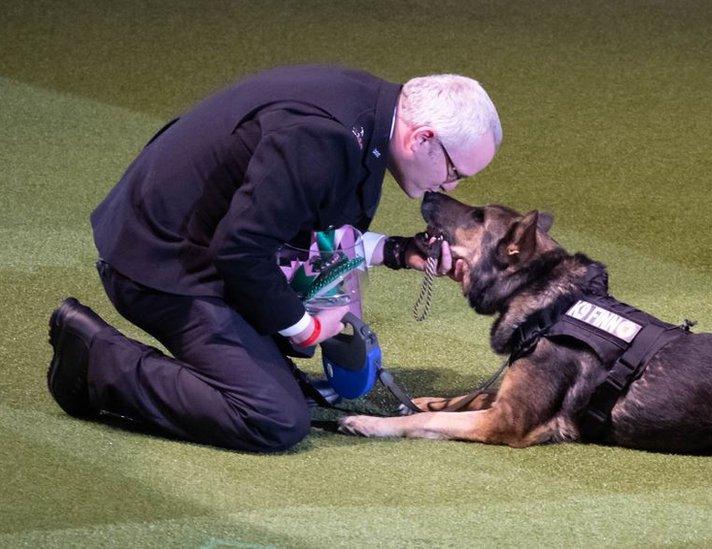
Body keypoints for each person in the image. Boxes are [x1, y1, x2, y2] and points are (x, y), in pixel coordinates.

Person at [46, 65, 502, 452]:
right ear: (422, 138)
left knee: (286, 343)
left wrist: (400, 252)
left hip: (195, 241)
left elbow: (309, 230)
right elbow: (241, 252)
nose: (451, 187)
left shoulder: (369, 111)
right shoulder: (323, 138)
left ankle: (254, 353)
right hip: (158, 262)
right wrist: (306, 329)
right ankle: (94, 360)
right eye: (455, 171)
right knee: (273, 416)